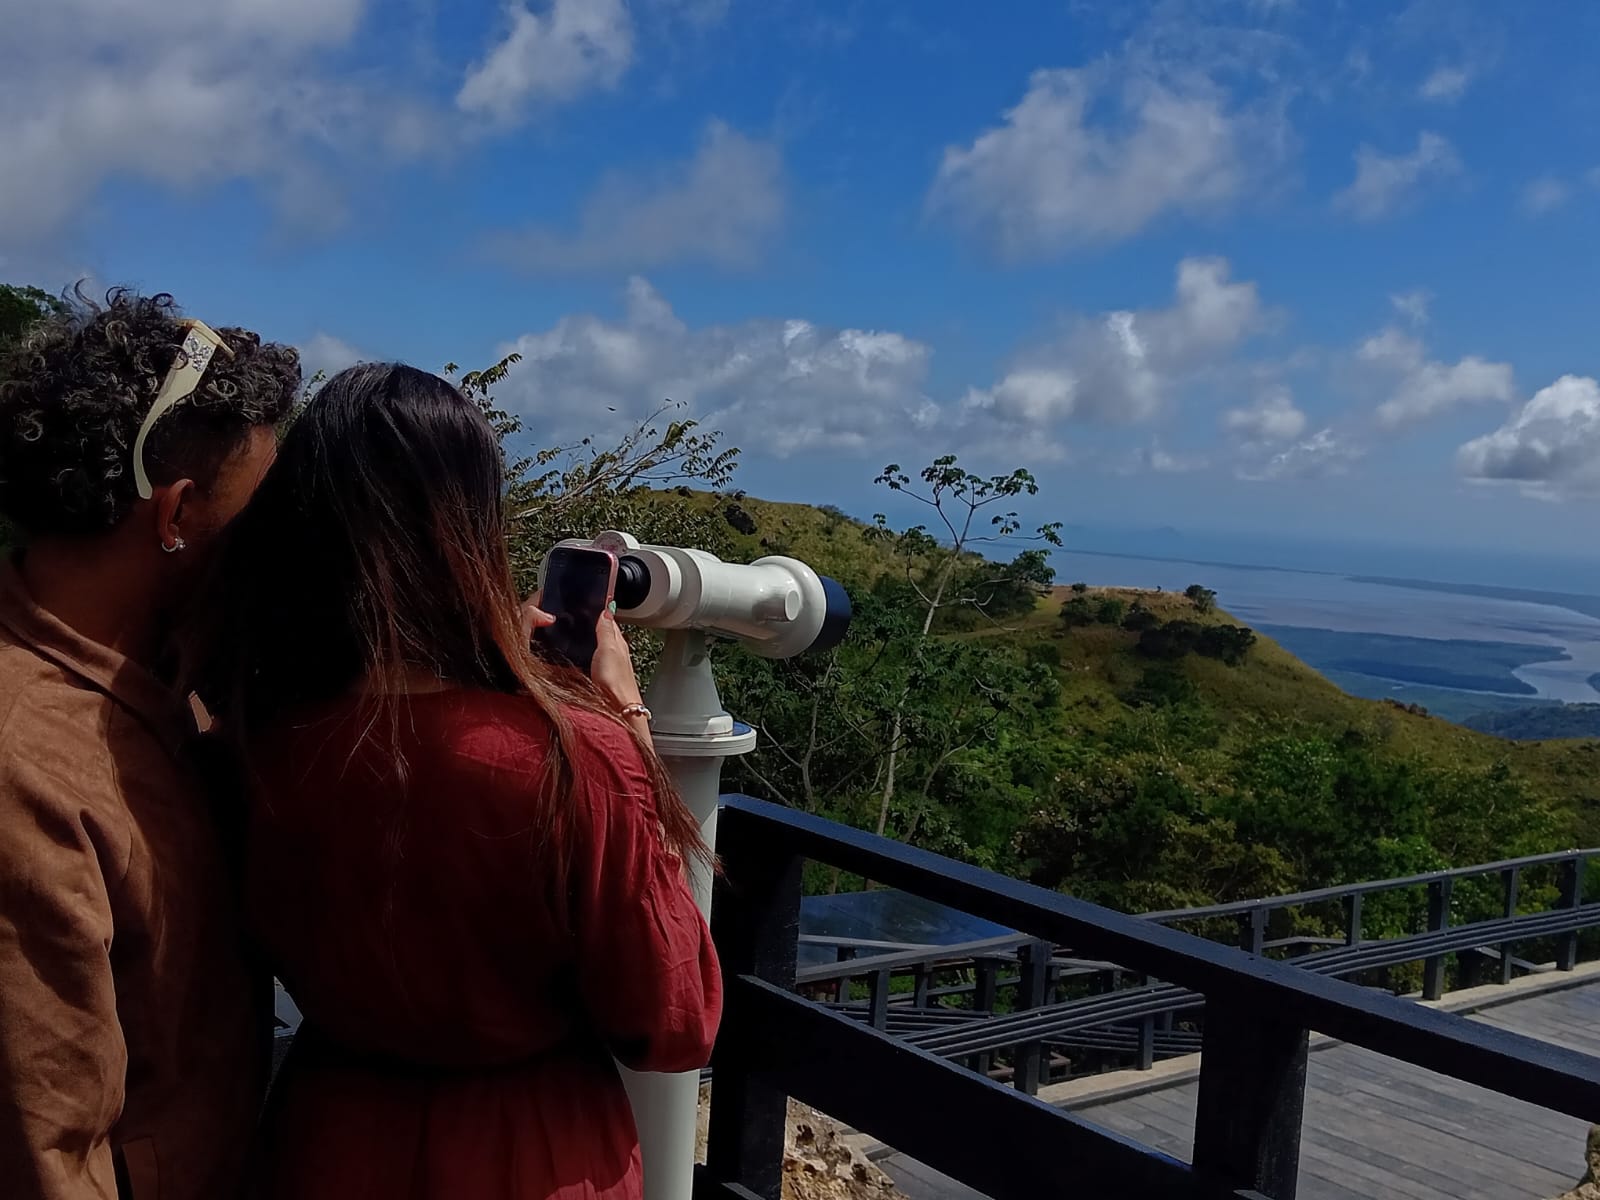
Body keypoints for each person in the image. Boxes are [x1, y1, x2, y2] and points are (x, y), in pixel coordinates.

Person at [190, 363, 722, 1199]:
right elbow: (673, 1021)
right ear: (470, 532)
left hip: (323, 1141)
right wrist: (624, 725)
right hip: (531, 1153)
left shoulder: (251, 739)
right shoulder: (574, 761)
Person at [0, 288, 301, 1199]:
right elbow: (47, 1159)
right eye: (254, 514)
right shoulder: (23, 773)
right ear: (175, 516)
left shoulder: (161, 690)